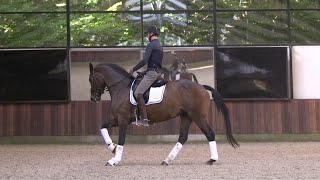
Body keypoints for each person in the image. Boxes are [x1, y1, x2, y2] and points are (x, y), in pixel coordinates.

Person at [129, 25, 163, 126]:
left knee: (138, 93)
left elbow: (144, 60)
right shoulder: (159, 46)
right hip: (156, 72)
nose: (147, 36)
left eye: (148, 34)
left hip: (152, 73)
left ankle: (144, 119)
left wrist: (133, 69)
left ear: (151, 34)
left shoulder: (151, 45)